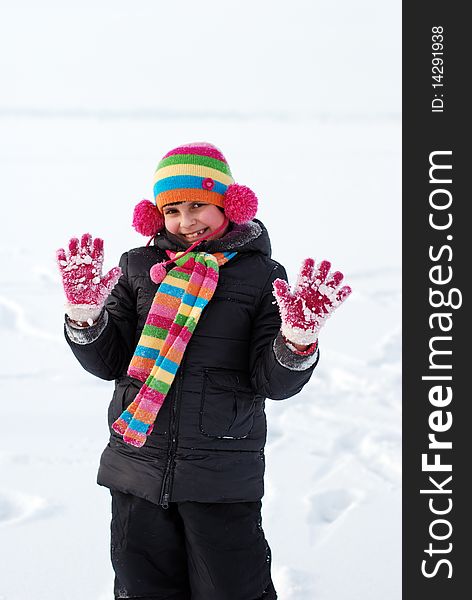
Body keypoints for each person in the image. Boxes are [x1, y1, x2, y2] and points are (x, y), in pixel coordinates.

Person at [57, 142, 351, 600]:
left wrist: (296, 341)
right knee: (143, 588)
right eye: (171, 209)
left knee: (233, 589)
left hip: (221, 475)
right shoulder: (138, 267)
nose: (186, 220)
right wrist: (85, 318)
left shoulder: (260, 276)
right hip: (137, 466)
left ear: (229, 206)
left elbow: (271, 382)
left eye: (198, 205)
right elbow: (109, 363)